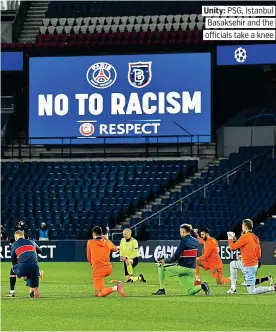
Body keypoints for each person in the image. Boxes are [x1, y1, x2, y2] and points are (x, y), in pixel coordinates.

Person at [153, 224, 210, 296]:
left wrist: (164, 261)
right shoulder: (195, 241)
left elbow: (175, 257)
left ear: (183, 231)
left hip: (183, 268)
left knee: (160, 266)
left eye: (180, 231)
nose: (180, 233)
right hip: (192, 270)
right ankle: (203, 286)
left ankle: (162, 289)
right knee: (190, 292)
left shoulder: (183, 241)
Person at [227, 219, 276, 295]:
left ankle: (273, 288)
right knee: (232, 264)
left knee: (252, 291)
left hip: (249, 266)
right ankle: (233, 288)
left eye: (243, 226)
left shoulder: (245, 237)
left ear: (246, 227)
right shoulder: (255, 237)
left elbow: (232, 247)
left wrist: (230, 238)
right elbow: (258, 255)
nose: (242, 228)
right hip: (251, 264)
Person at [86, 226, 125, 297]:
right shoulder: (107, 243)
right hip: (108, 269)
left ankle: (116, 287)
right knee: (98, 291)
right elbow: (116, 249)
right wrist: (107, 239)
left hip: (98, 270)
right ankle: (104, 288)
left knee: (98, 294)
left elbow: (89, 257)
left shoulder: (90, 243)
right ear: (102, 234)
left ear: (94, 234)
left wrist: (93, 266)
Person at [7, 233, 44, 297]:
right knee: (32, 293)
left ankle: (12, 292)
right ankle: (35, 285)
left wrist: (20, 271)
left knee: (12, 269)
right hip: (35, 267)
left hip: (23, 267)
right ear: (23, 236)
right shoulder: (31, 242)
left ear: (15, 237)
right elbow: (40, 251)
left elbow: (13, 260)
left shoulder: (14, 244)